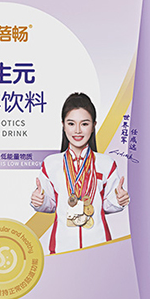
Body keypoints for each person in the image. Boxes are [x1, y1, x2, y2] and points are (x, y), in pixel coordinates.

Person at [30, 92, 129, 254]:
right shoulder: (51, 164)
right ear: (63, 125)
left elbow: (105, 205)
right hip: (62, 248)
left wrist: (118, 200)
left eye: (84, 124)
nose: (77, 130)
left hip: (99, 245)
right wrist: (39, 201)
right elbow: (52, 204)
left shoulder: (106, 164)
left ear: (94, 125)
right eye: (71, 123)